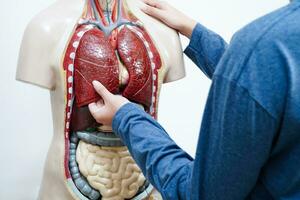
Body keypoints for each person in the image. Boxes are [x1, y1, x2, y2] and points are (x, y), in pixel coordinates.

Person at [88, 0, 300, 199]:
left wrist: (126, 118)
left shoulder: (265, 47)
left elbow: (201, 195)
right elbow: (268, 85)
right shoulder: (273, 48)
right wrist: (196, 33)